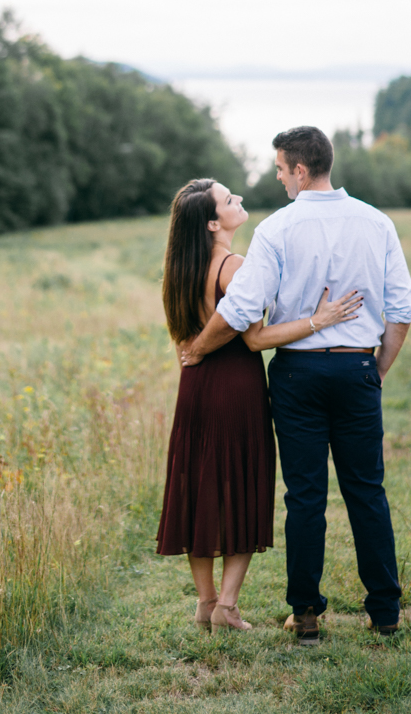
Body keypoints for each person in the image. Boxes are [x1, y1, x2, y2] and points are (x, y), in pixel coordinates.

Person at [181, 127, 411, 646]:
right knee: (367, 491)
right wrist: (375, 369)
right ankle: (385, 610)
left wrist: (197, 349)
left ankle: (306, 614)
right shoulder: (377, 223)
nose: (280, 179)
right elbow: (402, 309)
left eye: (282, 170)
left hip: (296, 374)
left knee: (305, 495)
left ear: (301, 170)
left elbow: (241, 310)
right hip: (356, 370)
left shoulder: (276, 229)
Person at [156, 176, 363, 633]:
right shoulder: (234, 267)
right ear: (213, 223)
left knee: (201, 488)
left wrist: (198, 356)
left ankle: (206, 601)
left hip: (194, 387)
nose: (240, 200)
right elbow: (254, 339)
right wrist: (318, 320)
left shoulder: (180, 269)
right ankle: (227, 606)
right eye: (230, 200)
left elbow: (185, 343)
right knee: (239, 487)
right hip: (234, 388)